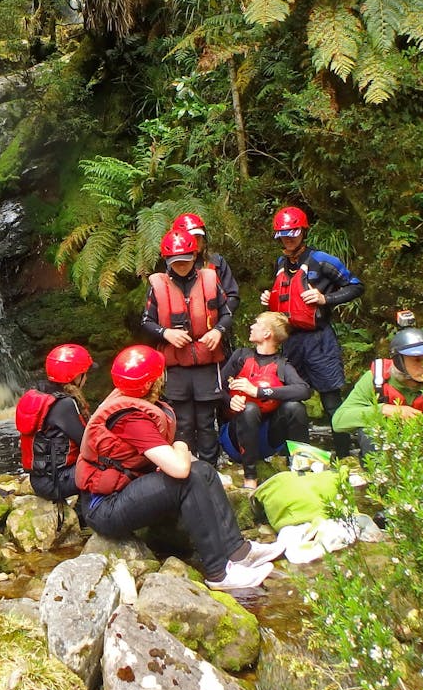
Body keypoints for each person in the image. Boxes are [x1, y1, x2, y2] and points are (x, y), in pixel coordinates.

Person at [76, 345, 284, 591]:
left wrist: (209, 472)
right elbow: (179, 469)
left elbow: (184, 464)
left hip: (118, 495)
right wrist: (182, 442)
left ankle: (239, 551)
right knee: (189, 479)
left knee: (203, 471)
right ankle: (218, 574)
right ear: (152, 382)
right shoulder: (129, 417)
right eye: (160, 374)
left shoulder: (131, 400)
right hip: (103, 508)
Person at [258, 205, 363, 449]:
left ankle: (343, 453)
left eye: (293, 233)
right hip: (291, 340)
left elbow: (356, 286)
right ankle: (296, 454)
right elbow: (282, 295)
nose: (288, 238)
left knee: (330, 400)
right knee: (291, 399)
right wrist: (269, 298)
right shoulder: (280, 263)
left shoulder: (322, 261)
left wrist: (326, 299)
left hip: (320, 339)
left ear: (303, 232)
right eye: (284, 235)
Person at [140, 229, 233, 464]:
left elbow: (226, 313)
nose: (180, 266)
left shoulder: (210, 279)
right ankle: (186, 466)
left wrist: (217, 331)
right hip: (176, 364)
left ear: (194, 256)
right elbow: (146, 321)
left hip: (206, 360)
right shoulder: (157, 284)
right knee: (182, 420)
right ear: (167, 261)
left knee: (205, 418)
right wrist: (166, 333)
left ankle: (210, 465)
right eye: (174, 262)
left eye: (184, 261)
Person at [220, 311, 312, 490]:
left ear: (267, 333)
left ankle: (301, 468)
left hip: (267, 440)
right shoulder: (241, 356)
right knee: (250, 408)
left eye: (256, 323)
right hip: (235, 439)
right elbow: (216, 387)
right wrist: (228, 400)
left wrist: (259, 391)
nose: (251, 326)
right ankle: (250, 478)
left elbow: (304, 390)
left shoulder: (282, 365)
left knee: (295, 407)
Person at [332, 324, 423, 461]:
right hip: (388, 449)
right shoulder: (376, 379)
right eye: (417, 360)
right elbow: (339, 421)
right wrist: (385, 410)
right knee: (369, 432)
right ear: (398, 361)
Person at [15, 343, 94, 503]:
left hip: (39, 479)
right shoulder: (64, 404)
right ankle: (89, 514)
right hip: (56, 482)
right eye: (85, 374)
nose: (87, 378)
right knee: (105, 468)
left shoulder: (39, 393)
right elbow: (87, 443)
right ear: (76, 377)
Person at [169, 213, 241, 322]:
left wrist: (220, 325)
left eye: (198, 237)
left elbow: (232, 295)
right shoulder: (174, 265)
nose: (195, 241)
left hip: (215, 327)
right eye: (191, 237)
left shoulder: (216, 262)